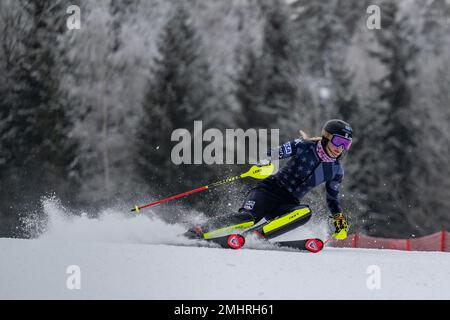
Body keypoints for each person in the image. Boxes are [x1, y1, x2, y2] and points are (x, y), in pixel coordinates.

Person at [185, 119, 352, 242]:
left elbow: (332, 199)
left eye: (346, 144)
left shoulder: (336, 171)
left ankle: (256, 236)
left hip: (288, 203)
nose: (340, 148)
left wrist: (338, 219)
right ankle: (199, 230)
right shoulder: (303, 146)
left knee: (304, 212)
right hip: (268, 191)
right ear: (327, 137)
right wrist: (263, 163)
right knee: (248, 218)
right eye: (338, 141)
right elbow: (271, 153)